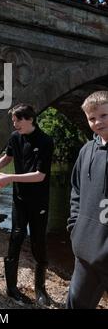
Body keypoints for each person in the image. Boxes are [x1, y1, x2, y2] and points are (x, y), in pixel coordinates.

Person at [0, 104, 54, 305]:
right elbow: (7, 157)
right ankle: (11, 288)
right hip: (19, 199)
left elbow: (40, 176)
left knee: (38, 242)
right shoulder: (15, 137)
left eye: (17, 121)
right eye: (13, 121)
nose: (14, 125)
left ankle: (40, 289)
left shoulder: (46, 141)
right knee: (15, 237)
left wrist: (9, 178)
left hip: (39, 201)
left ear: (30, 119)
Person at [66, 91, 108, 309]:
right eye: (92, 118)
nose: (98, 122)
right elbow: (76, 192)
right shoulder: (86, 151)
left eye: (104, 115)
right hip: (86, 252)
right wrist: (76, 228)